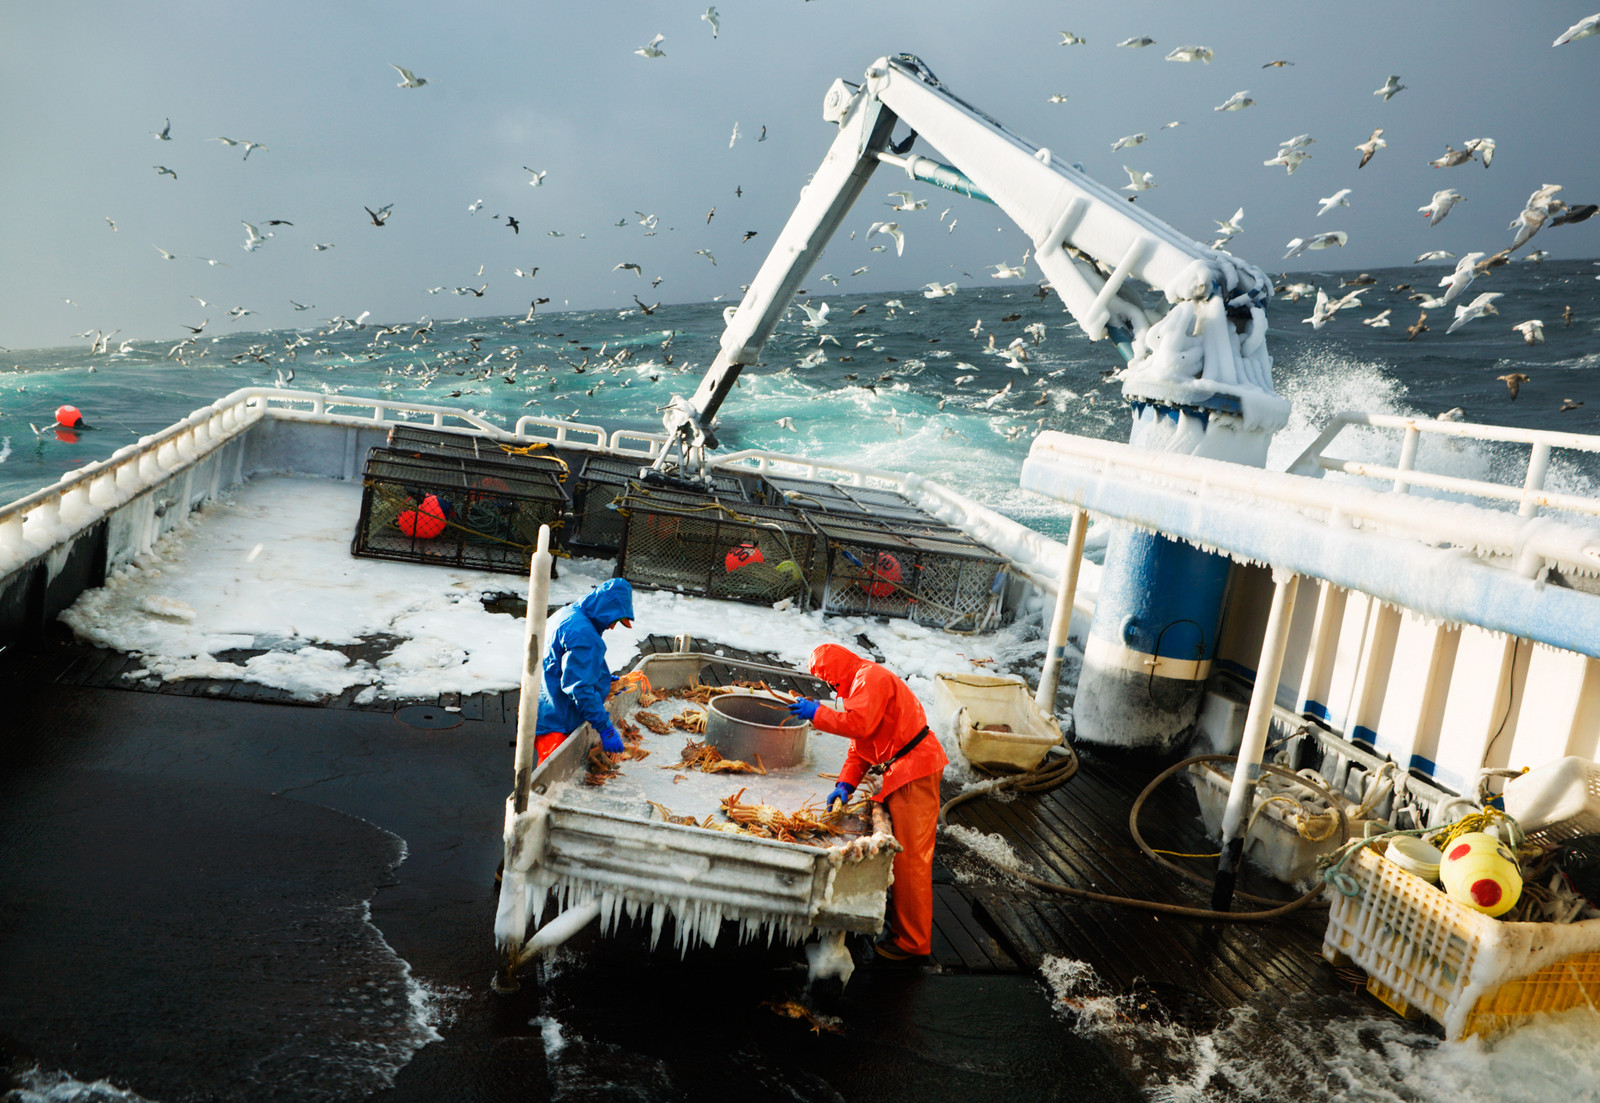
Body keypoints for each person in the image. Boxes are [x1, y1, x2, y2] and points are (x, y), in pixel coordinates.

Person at [789, 642, 948, 963]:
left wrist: (817, 714)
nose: (829, 686)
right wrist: (844, 784)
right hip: (904, 768)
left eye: (828, 679)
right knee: (904, 855)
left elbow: (859, 725)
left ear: (834, 671)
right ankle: (902, 921)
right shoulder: (858, 684)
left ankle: (913, 942)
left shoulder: (868, 678)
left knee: (912, 860)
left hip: (914, 769)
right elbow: (861, 744)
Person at [534, 577, 634, 764]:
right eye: (615, 619)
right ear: (606, 608)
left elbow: (561, 663)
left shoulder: (566, 614)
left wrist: (601, 678)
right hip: (558, 722)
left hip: (541, 706)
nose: (612, 627)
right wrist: (606, 728)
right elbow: (579, 688)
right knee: (552, 785)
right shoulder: (584, 634)